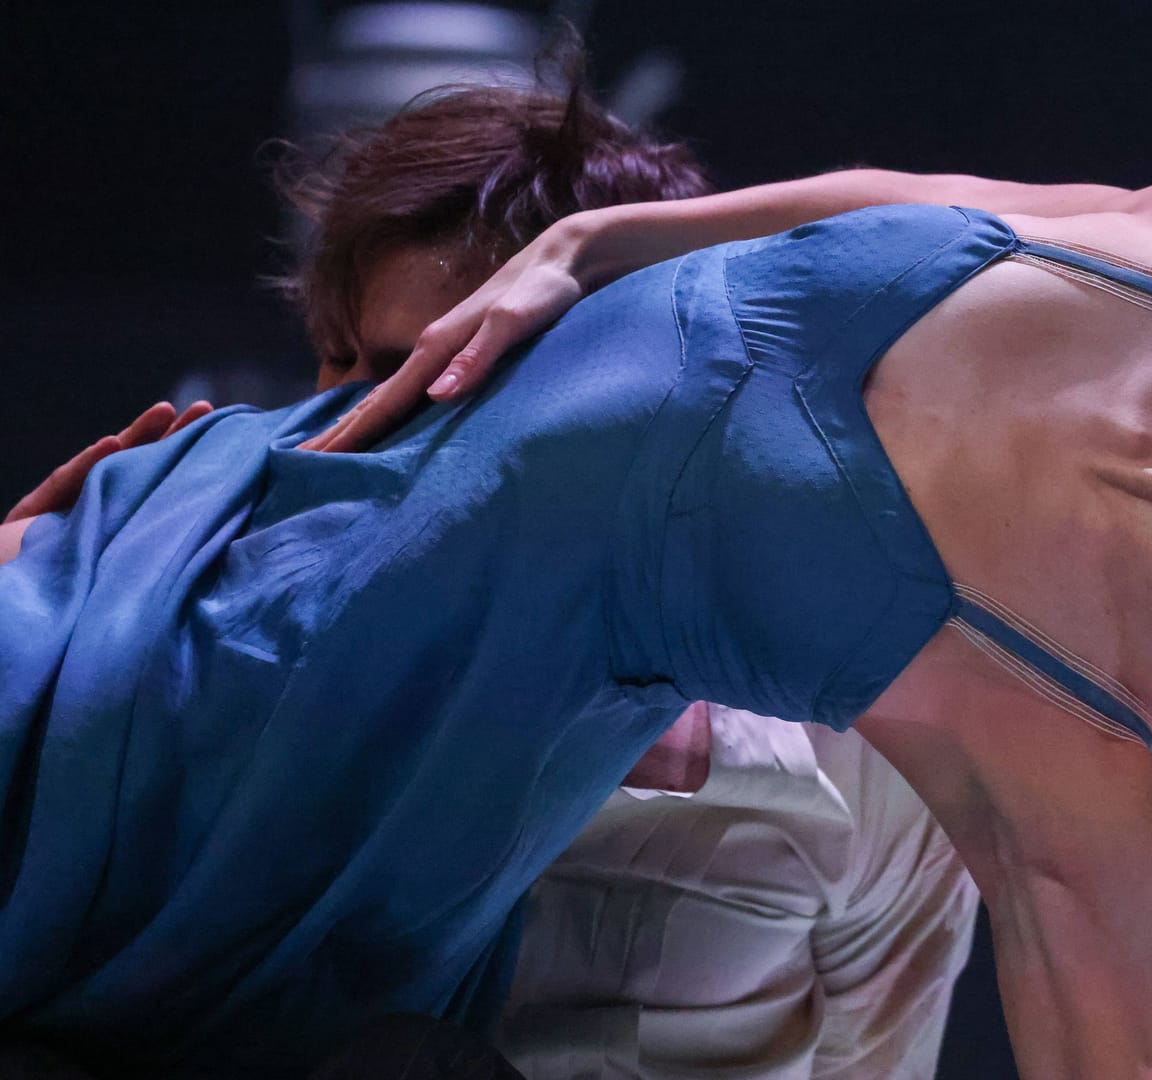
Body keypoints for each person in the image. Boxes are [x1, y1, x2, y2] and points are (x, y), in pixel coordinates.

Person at [0, 145, 1152, 1075]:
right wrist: (594, 248)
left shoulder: (1075, 760)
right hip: (224, 517)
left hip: (311, 797)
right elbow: (892, 202)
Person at [4, 82, 979, 1080]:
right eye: (337, 369)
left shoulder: (867, 749)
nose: (342, 439)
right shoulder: (225, 682)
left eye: (434, 386)